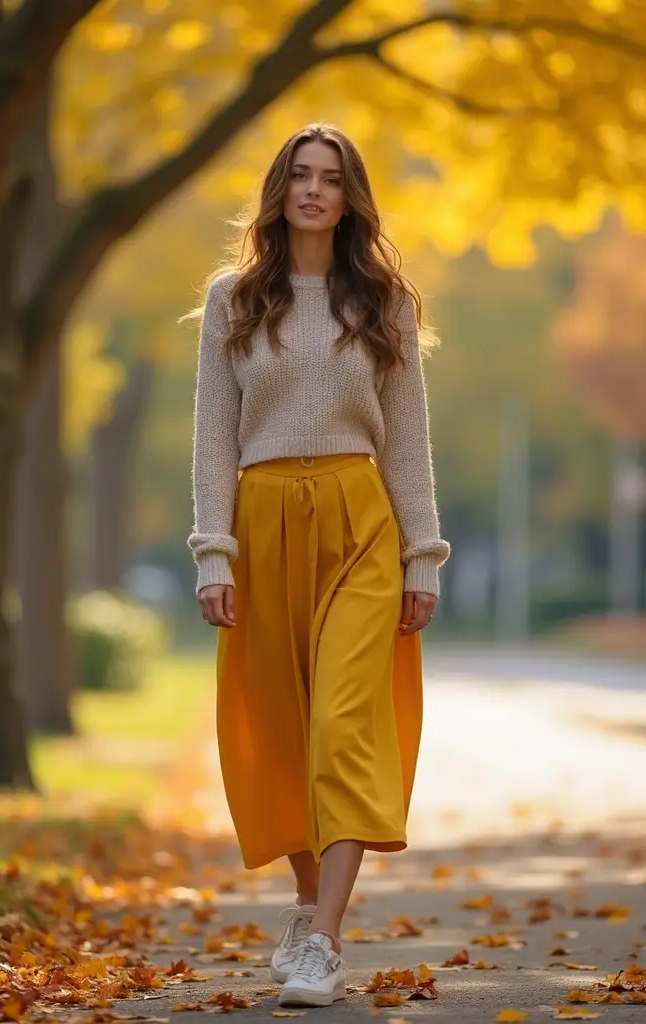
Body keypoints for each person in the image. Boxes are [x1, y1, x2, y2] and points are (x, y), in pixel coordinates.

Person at [187, 123, 450, 1009]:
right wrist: (212, 551)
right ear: (279, 190)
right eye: (298, 174)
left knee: (343, 723)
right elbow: (213, 441)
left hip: (359, 522)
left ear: (349, 197)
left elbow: (409, 443)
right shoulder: (234, 299)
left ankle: (323, 943)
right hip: (260, 526)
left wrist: (425, 558)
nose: (312, 190)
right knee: (284, 729)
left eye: (329, 178)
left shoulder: (383, 303)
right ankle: (309, 905)